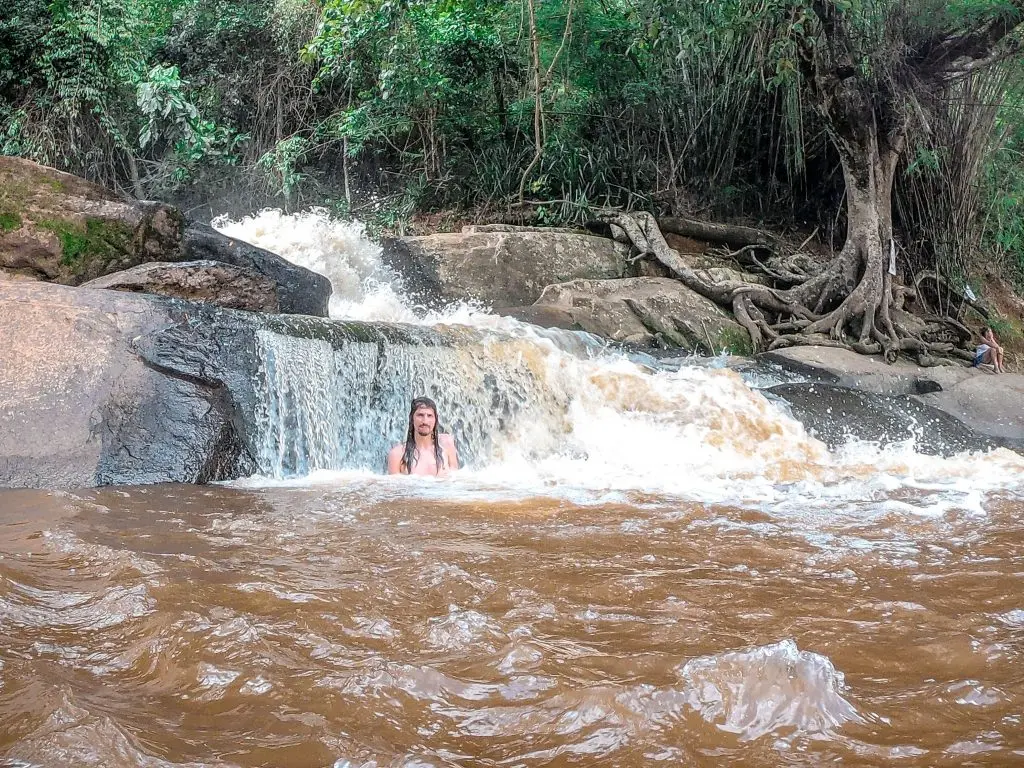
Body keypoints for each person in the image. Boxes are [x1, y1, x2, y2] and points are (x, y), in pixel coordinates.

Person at [386, 396, 460, 476]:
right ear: (411, 418)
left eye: (429, 416)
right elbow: (393, 486)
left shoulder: (446, 444)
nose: (425, 421)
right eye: (420, 415)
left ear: (436, 419)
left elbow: (455, 482)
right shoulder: (397, 454)